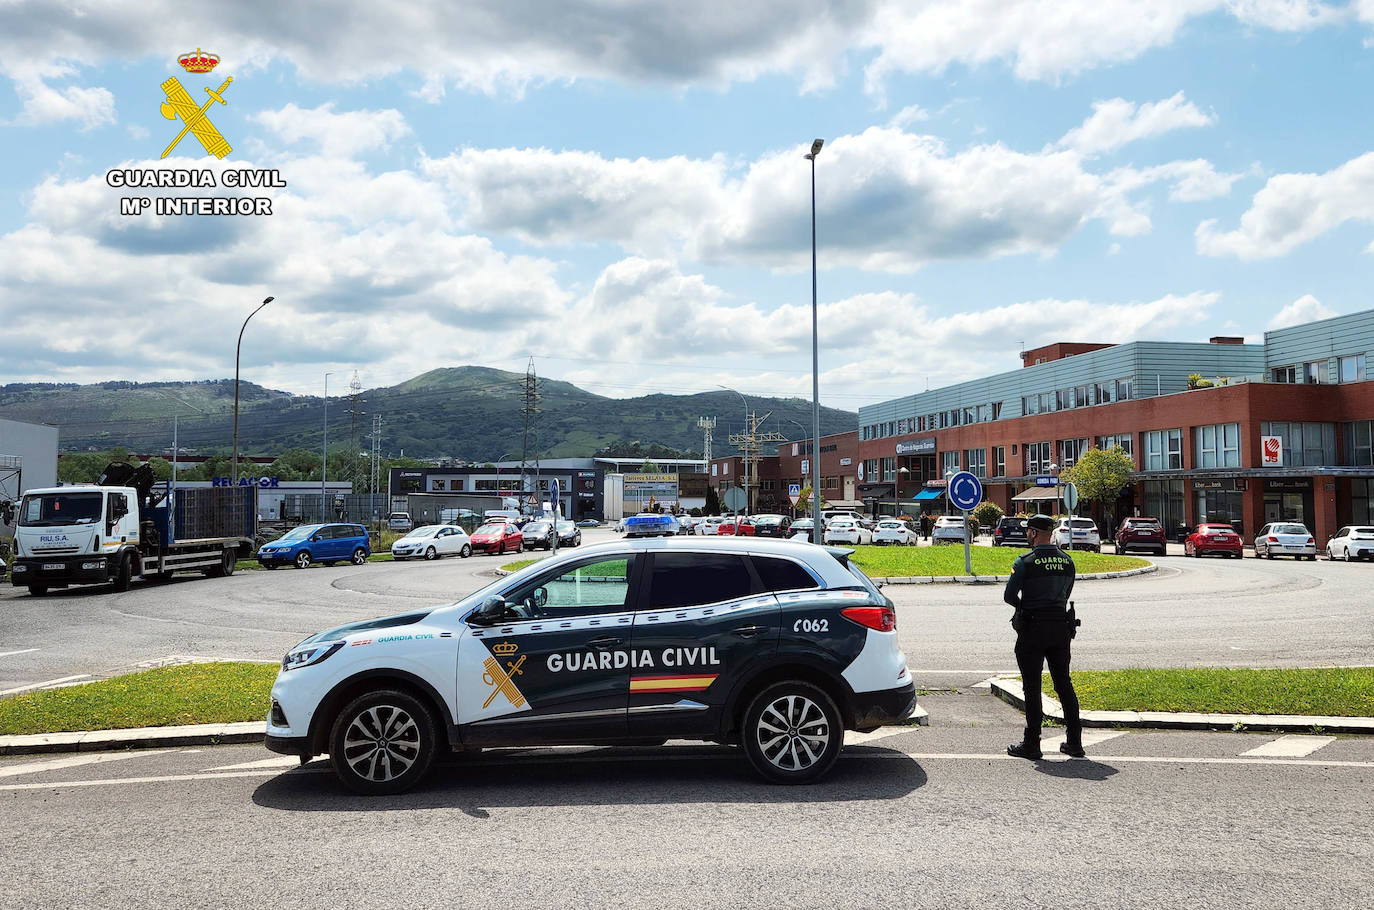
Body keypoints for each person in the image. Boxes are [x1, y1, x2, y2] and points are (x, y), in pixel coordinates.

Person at [1002, 513, 1084, 760]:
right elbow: (1067, 591)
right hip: (1060, 629)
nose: (1027, 534)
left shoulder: (1025, 562)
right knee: (1063, 684)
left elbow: (1009, 596)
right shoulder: (1067, 561)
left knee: (1032, 686)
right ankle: (1075, 742)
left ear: (1035, 533)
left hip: (1033, 629)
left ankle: (1032, 743)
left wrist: (1023, 608)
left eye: (1029, 531)